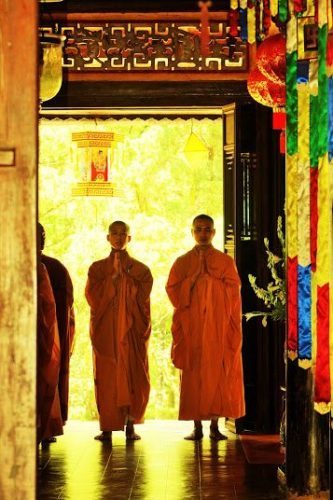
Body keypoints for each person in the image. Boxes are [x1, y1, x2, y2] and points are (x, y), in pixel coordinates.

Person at [166, 214, 245, 440]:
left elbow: (234, 292)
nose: (203, 233)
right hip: (192, 329)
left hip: (218, 329)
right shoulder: (182, 262)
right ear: (192, 232)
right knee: (194, 376)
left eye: (207, 229)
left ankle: (214, 426)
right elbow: (172, 291)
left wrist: (211, 283)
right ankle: (197, 426)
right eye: (198, 229)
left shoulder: (225, 262)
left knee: (218, 375)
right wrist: (192, 281)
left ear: (213, 233)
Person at [85, 221, 153, 442]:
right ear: (108, 238)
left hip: (131, 333)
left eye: (123, 233)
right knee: (106, 377)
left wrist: (127, 283)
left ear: (129, 238)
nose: (118, 237)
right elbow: (92, 298)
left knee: (134, 374)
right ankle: (107, 426)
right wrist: (111, 282)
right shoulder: (97, 269)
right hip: (107, 332)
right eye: (114, 233)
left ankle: (131, 424)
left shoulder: (141, 270)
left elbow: (143, 301)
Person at [38, 223, 75, 441]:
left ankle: (48, 425)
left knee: (48, 377)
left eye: (40, 235)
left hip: (49, 332)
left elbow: (65, 306)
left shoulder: (54, 267)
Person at [37, 261, 63, 444]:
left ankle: (43, 427)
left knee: (42, 378)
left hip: (37, 331)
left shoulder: (41, 268)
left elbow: (49, 304)